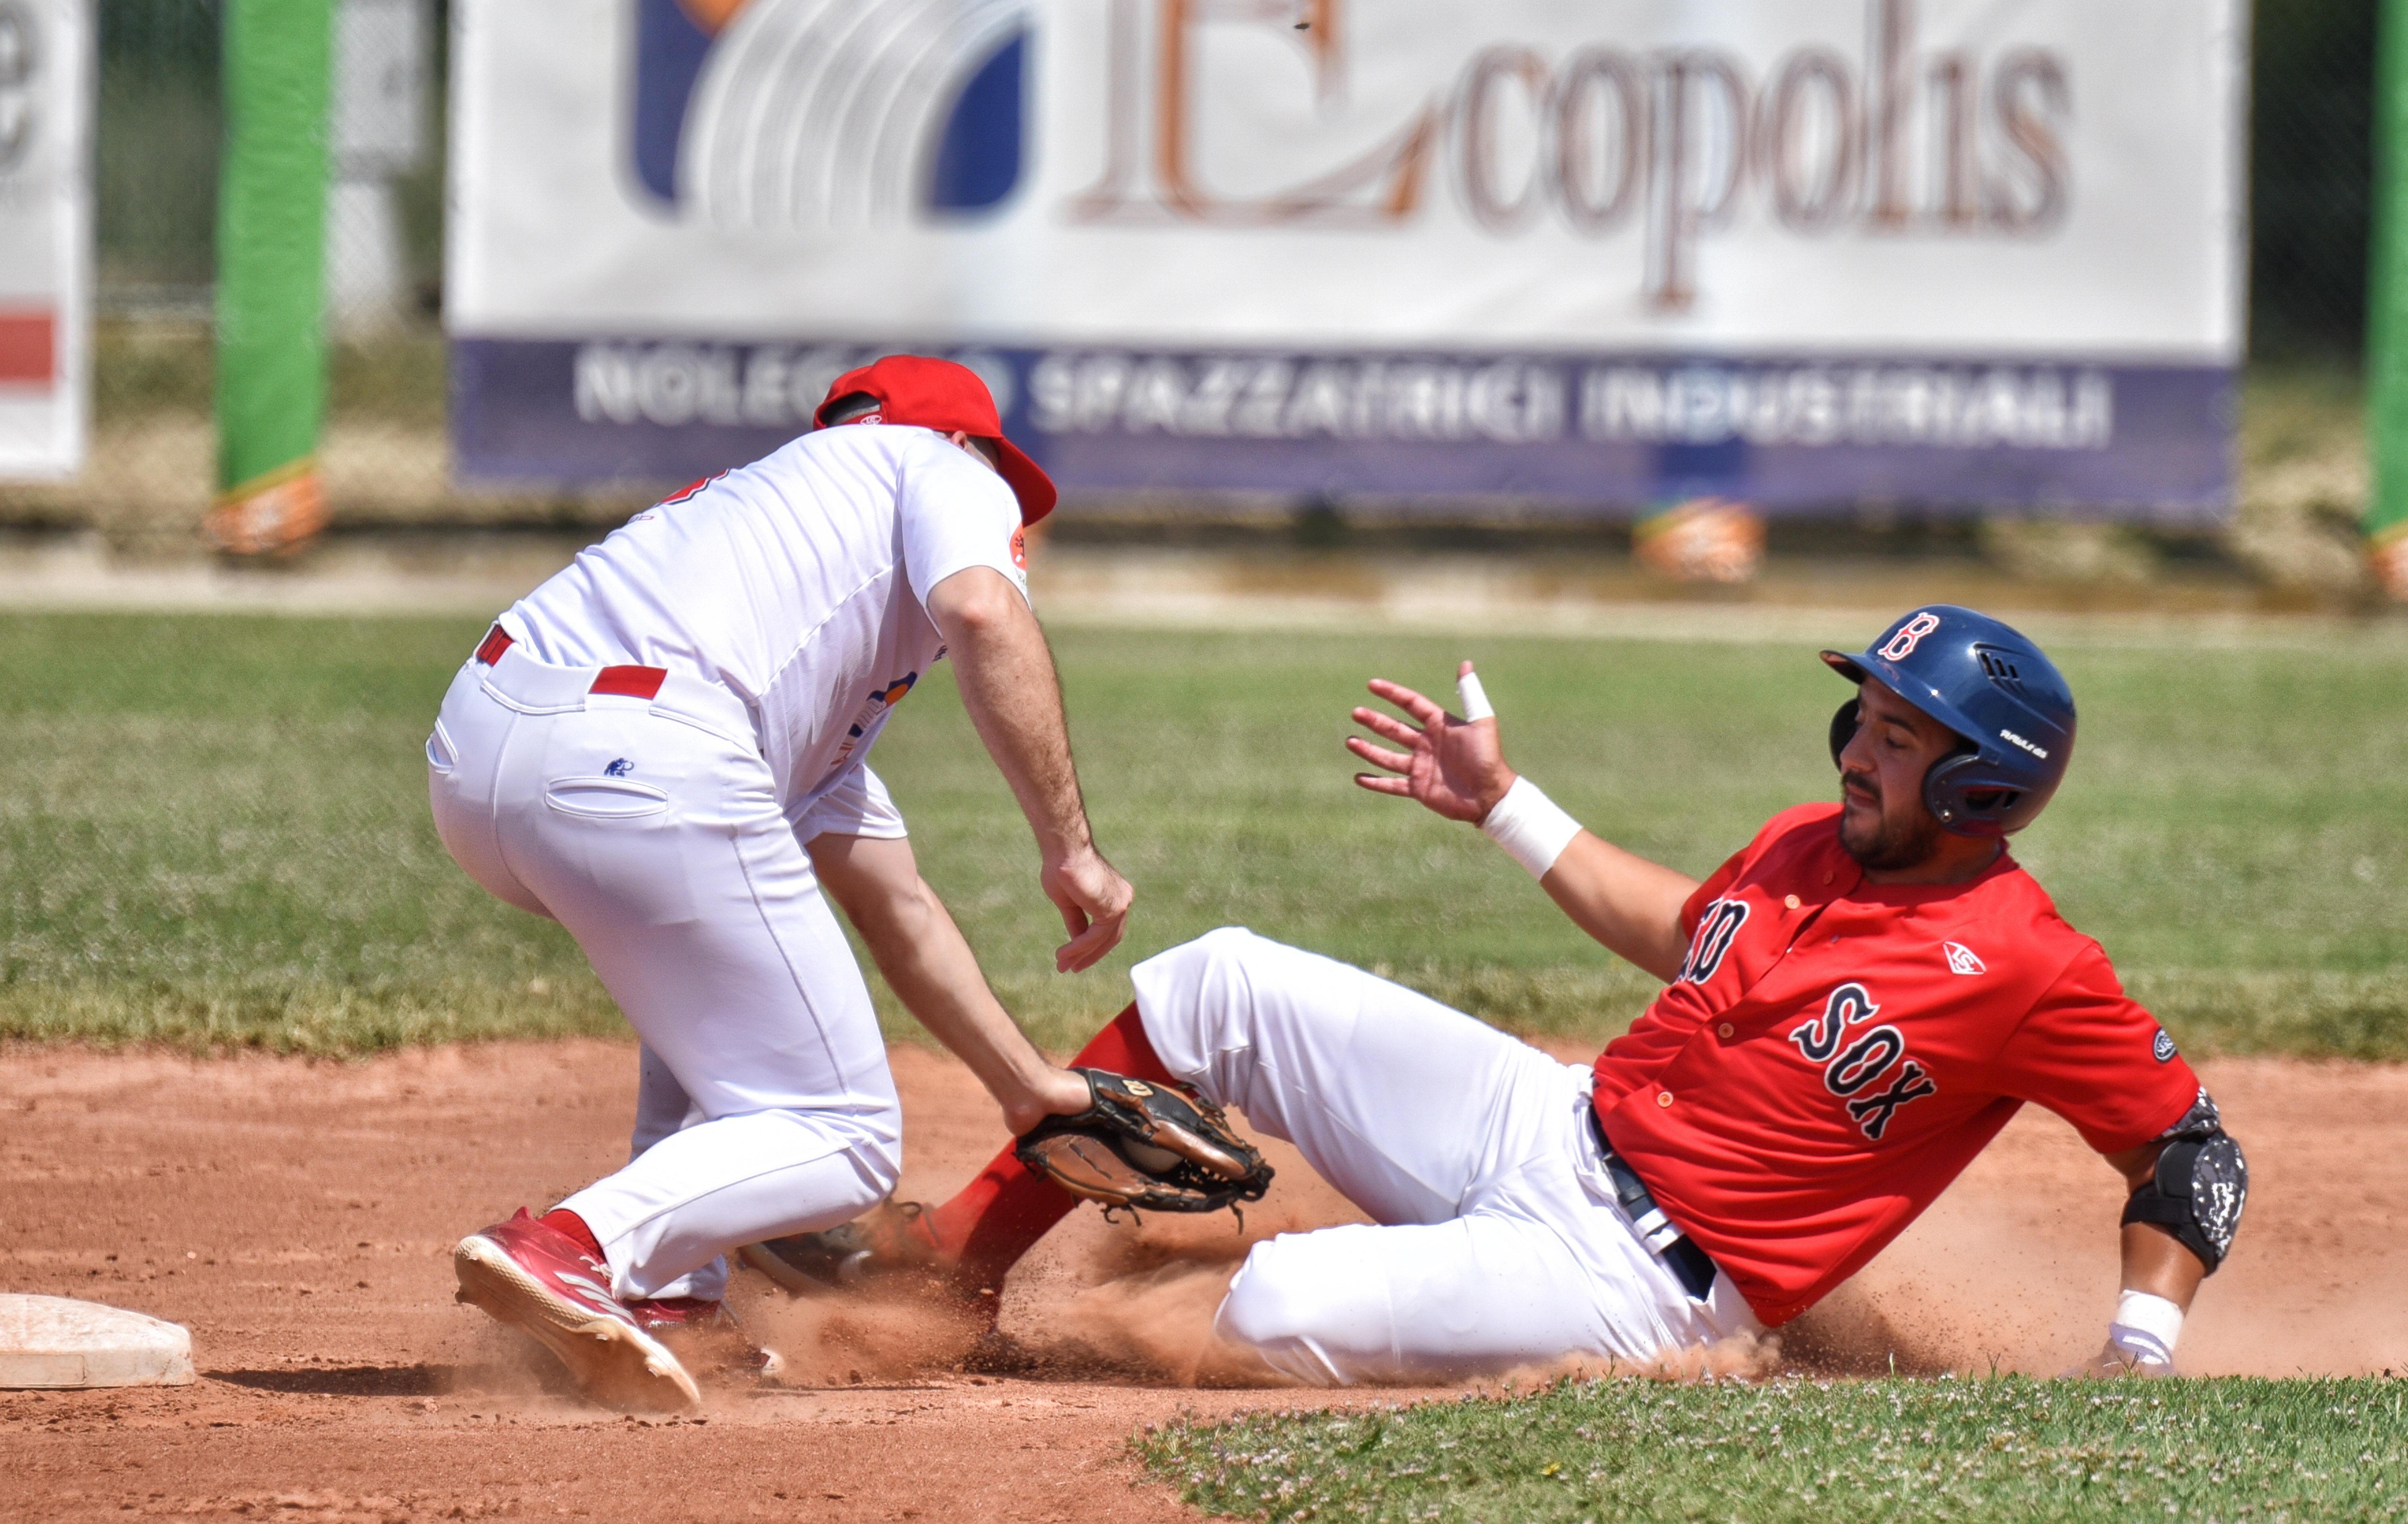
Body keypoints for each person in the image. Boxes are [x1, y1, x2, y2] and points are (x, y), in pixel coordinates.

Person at [755, 606, 2246, 1385]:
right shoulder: (1813, 844)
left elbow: (2194, 1154)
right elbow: (1693, 933)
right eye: (1867, 711)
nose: (1861, 744)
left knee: (1270, 1304)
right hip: (1552, 1121)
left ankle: (1350, 1288)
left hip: (1644, 1283)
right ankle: (954, 1261)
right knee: (1221, 985)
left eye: (1908, 736)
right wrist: (1507, 806)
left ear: (1986, 785)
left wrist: (2140, 1346)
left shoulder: (2034, 966)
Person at [427, 355, 1122, 1410]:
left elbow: (902, 911)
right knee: (842, 1134)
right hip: (644, 755)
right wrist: (1069, 844)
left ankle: (669, 1292)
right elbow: (985, 612)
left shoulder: (773, 617)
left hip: (483, 758)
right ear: (963, 444)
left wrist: (1028, 1089)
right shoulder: (934, 463)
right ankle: (574, 1245)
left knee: (719, 997)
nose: (1010, 529)